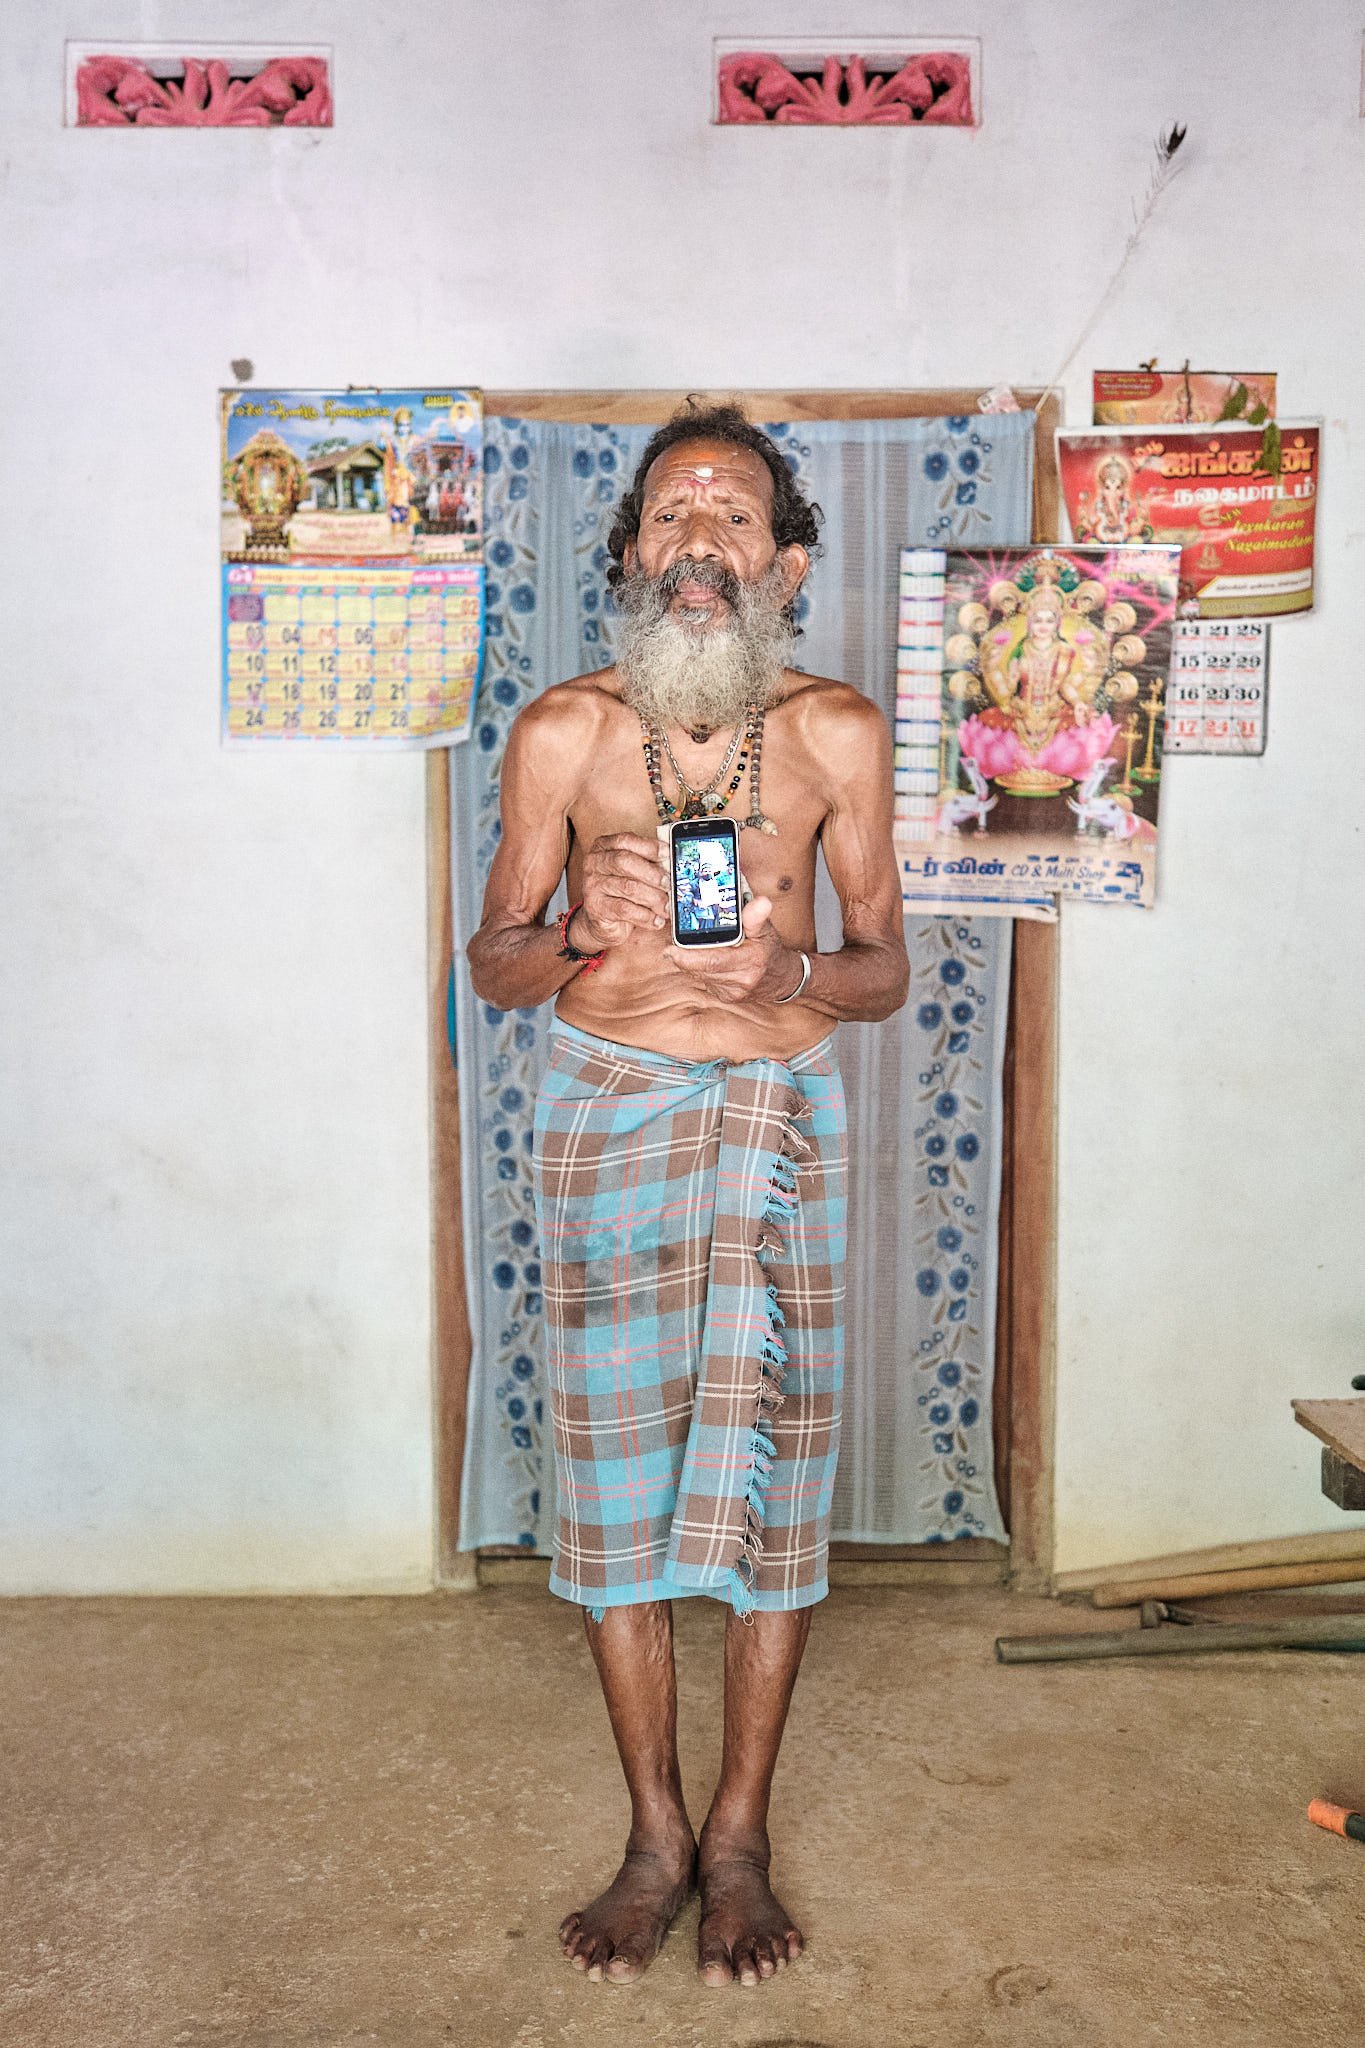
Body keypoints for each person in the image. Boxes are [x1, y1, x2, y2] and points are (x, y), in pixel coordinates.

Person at [467, 402, 909, 1989]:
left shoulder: (838, 734)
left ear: (783, 563)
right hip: (608, 1128)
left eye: (731, 519)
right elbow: (492, 965)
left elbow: (884, 969)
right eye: (669, 518)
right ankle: (653, 1834)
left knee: (773, 1500)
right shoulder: (562, 734)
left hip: (776, 1134)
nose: (698, 544)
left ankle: (737, 1838)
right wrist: (576, 932)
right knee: (612, 1498)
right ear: (629, 558)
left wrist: (789, 969)